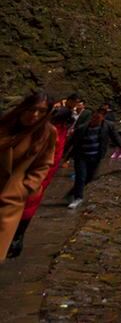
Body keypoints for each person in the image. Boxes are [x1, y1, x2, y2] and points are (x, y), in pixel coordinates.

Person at [7, 108, 74, 259]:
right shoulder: (59, 131)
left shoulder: (52, 132)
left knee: (22, 210)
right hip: (38, 180)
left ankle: (15, 242)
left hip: (33, 180)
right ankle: (16, 241)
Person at [0, 91, 57, 262]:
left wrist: (27, 186)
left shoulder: (46, 133)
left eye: (41, 111)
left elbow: (45, 163)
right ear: (23, 107)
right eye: (32, 109)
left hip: (11, 197)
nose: (35, 115)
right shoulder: (5, 125)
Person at [65, 108, 121, 209]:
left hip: (96, 156)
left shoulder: (108, 126)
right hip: (81, 156)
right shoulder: (82, 128)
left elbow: (115, 136)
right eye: (94, 117)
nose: (95, 120)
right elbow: (72, 142)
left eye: (98, 118)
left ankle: (72, 192)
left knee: (89, 177)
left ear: (102, 118)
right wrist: (65, 156)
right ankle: (78, 198)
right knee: (81, 176)